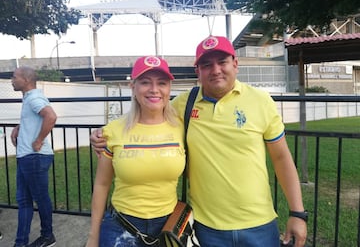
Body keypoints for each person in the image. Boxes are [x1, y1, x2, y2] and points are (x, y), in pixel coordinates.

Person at [91, 36, 308, 247]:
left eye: (222, 62)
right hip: (205, 227)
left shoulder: (261, 101)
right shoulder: (183, 105)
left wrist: (297, 212)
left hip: (259, 224)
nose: (215, 70)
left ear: (235, 63)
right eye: (206, 64)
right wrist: (101, 135)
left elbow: (281, 157)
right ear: (198, 71)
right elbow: (150, 115)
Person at [85, 56, 185, 247]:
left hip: (167, 228)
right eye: (145, 82)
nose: (154, 89)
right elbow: (101, 185)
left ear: (169, 88)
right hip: (121, 226)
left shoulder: (182, 127)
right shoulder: (113, 131)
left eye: (161, 83)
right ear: (133, 87)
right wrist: (93, 236)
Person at [10, 67, 57, 247]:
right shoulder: (30, 98)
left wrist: (38, 140)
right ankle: (20, 243)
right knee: (24, 201)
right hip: (26, 157)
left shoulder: (34, 98)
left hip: (34, 157)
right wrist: (20, 126)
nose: (12, 80)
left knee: (41, 198)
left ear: (26, 80)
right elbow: (36, 119)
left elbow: (50, 116)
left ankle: (47, 236)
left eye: (14, 77)